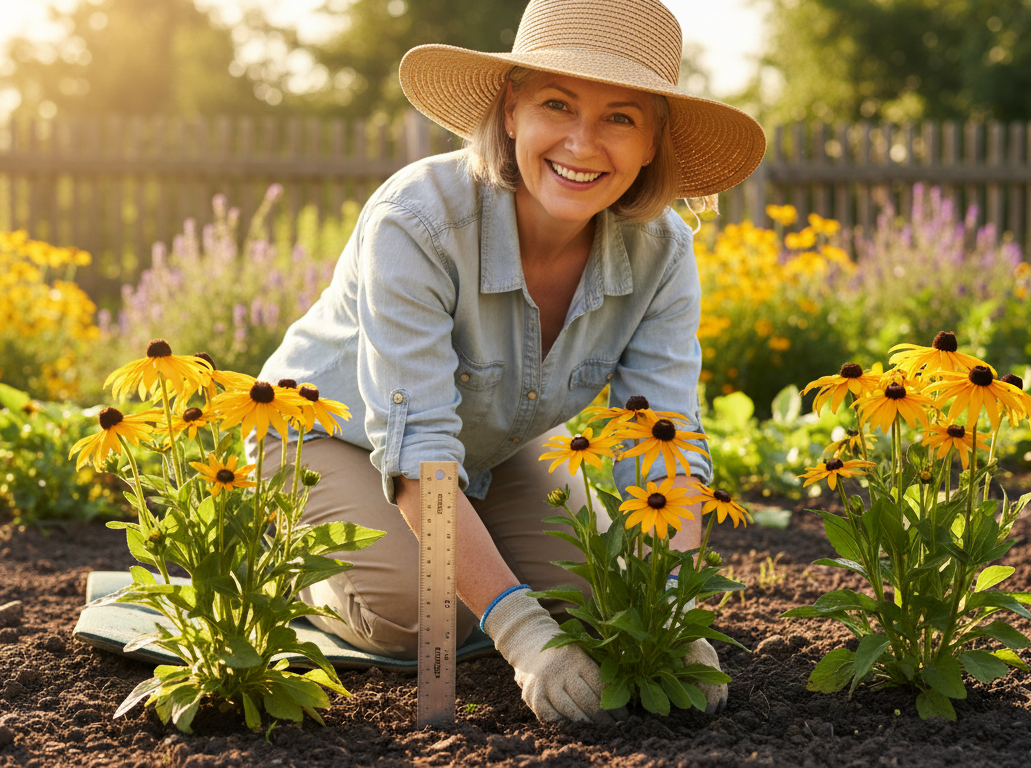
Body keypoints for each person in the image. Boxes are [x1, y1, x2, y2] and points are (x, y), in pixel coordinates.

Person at [253, 0, 765, 724]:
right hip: (323, 439)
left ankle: (475, 567)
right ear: (511, 109)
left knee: (595, 597)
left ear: (653, 142)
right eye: (558, 104)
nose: (583, 143)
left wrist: (671, 616)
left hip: (489, 446)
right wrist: (524, 637)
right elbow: (419, 452)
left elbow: (665, 444)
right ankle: (279, 558)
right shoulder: (418, 222)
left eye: (620, 117)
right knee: (423, 615)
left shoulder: (663, 252)